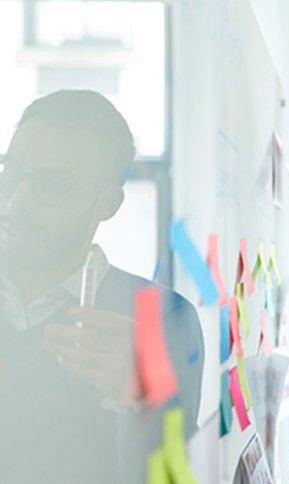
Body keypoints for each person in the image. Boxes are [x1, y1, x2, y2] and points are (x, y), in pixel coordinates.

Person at [0, 90, 203, 483]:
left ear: (106, 204)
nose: (17, 202)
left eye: (53, 184)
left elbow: (178, 477)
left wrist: (143, 401)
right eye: (12, 173)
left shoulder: (162, 318)